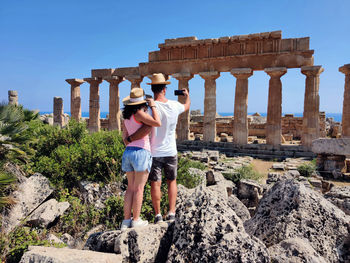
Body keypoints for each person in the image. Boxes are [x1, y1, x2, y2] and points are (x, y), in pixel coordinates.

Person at [125, 73, 190, 223]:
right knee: (172, 181)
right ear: (165, 89)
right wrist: (186, 96)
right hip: (171, 151)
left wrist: (130, 139)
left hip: (153, 151)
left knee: (155, 183)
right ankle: (172, 212)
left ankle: (158, 215)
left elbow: (144, 127)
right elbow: (186, 106)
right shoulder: (175, 105)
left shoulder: (148, 108)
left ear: (152, 89)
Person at [120, 87, 161, 230]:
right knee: (139, 188)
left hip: (128, 152)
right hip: (141, 152)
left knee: (130, 188)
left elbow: (124, 138)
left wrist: (132, 139)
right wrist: (153, 106)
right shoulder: (139, 114)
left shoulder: (126, 116)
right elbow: (157, 122)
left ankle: (126, 221)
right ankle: (136, 220)